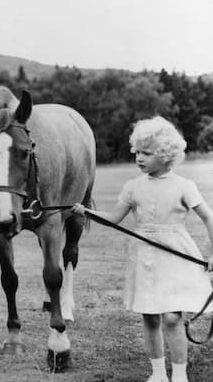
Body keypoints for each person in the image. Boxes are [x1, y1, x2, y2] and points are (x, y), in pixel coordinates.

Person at [72, 116, 213, 382]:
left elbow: (209, 217)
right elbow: (114, 219)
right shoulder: (132, 187)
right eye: (137, 152)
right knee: (150, 317)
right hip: (145, 258)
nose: (139, 158)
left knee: (172, 318)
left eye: (146, 153)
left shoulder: (184, 186)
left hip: (176, 257)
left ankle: (180, 375)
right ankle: (158, 373)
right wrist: (86, 211)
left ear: (166, 155)